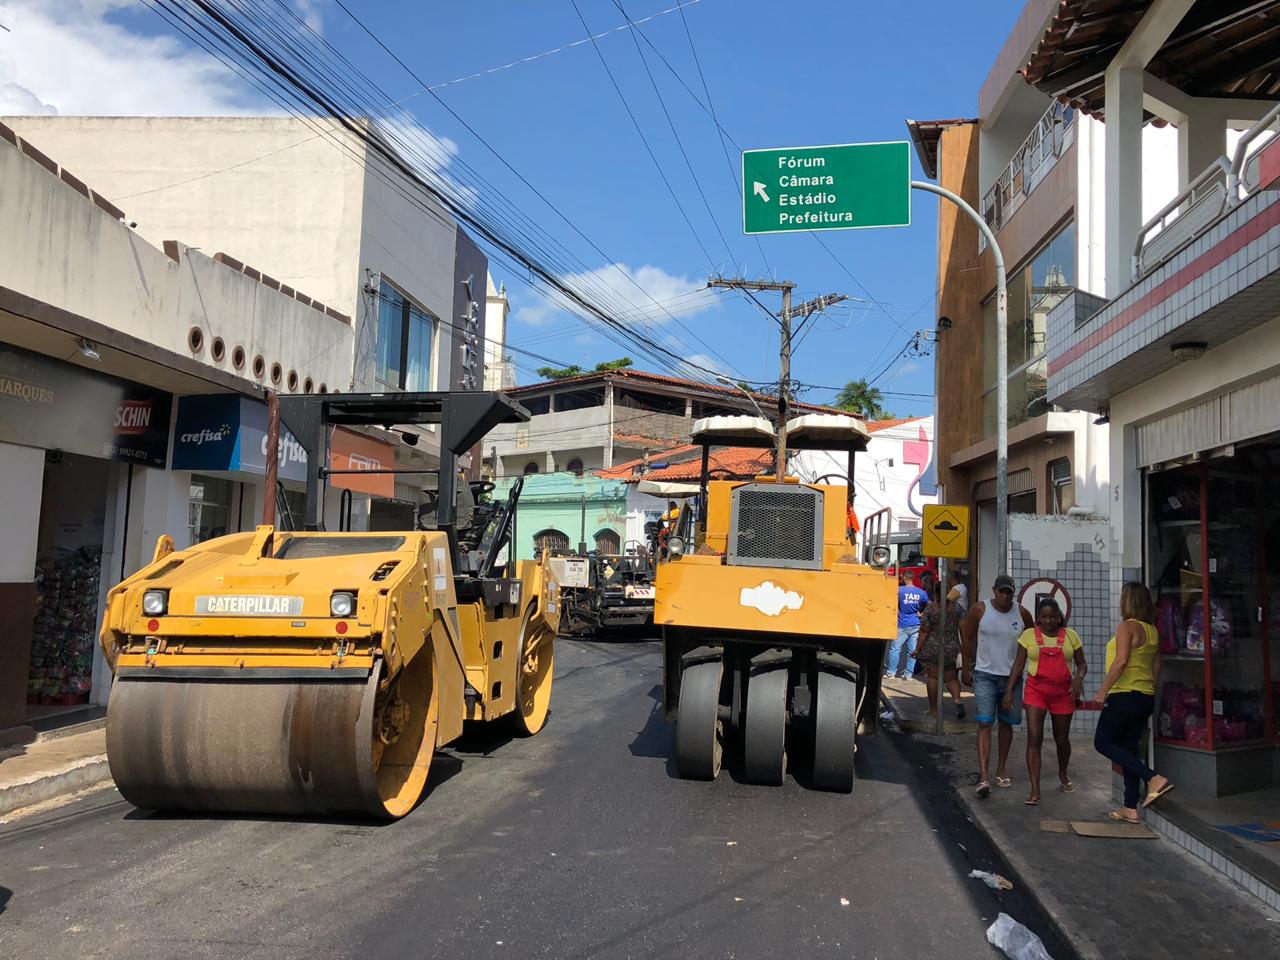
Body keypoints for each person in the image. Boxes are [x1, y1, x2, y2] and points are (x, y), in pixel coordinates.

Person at [1092, 582, 1175, 823]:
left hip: (1123, 695)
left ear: (1127, 601)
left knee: (1103, 742)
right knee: (1128, 750)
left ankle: (1153, 778)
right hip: (1145, 696)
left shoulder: (1126, 627)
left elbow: (1120, 661)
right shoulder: (1152, 630)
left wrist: (1102, 692)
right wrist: (1149, 688)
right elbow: (1157, 665)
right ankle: (1130, 806)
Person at [1004, 598, 1087, 805]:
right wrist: (1009, 691)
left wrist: (1078, 678)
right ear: (1038, 618)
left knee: (1062, 739)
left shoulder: (1071, 636)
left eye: (1052, 617)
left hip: (1063, 693)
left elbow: (1082, 664)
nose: (1048, 621)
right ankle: (1035, 789)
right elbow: (1018, 665)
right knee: (1034, 737)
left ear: (1060, 617)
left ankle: (1062, 772)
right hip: (1036, 691)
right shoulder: (1028, 636)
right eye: (1044, 617)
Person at [961, 574, 1033, 798]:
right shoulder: (980, 610)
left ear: (1014, 592)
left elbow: (1031, 640)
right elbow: (968, 637)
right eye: (1001, 591)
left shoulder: (1022, 613)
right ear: (994, 591)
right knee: (984, 724)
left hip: (1012, 677)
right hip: (985, 675)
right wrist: (965, 667)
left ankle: (1001, 768)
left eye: (1008, 592)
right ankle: (983, 775)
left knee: (1006, 724)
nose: (1005, 596)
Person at [917, 582, 965, 719]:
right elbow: (964, 629)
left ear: (935, 593)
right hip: (951, 647)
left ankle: (933, 709)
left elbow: (924, 631)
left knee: (933, 678)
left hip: (933, 647)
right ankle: (957, 700)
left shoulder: (930, 609)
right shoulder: (957, 609)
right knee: (951, 678)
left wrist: (918, 648)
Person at [886, 570, 928, 680]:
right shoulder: (921, 593)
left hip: (902, 624)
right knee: (912, 650)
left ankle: (891, 673)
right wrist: (921, 613)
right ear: (913, 578)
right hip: (915, 624)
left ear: (904, 578)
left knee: (895, 649)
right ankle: (908, 674)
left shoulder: (899, 591)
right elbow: (930, 605)